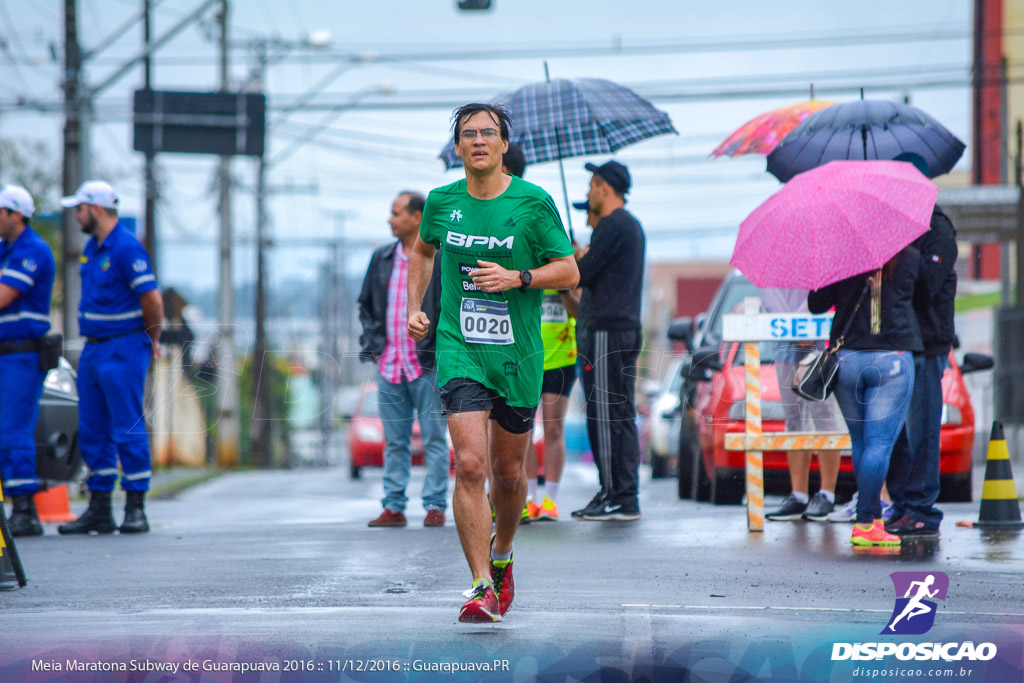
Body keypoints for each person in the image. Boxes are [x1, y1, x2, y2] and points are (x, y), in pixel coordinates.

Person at [407, 103, 578, 623]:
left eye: (488, 133)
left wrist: (518, 278)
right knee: (471, 465)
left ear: (504, 145)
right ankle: (481, 584)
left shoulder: (532, 203)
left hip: (519, 354)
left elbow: (568, 269)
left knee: (507, 474)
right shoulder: (441, 202)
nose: (478, 140)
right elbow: (422, 252)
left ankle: (503, 555)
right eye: (467, 134)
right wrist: (418, 306)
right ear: (457, 148)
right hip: (460, 347)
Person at [58, 181, 164, 536]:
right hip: (95, 348)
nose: (76, 215)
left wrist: (152, 339)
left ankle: (135, 507)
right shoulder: (94, 247)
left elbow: (151, 299)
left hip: (123, 347)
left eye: (80, 209)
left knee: (127, 427)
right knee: (92, 429)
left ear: (97, 209)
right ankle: (100, 508)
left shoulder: (125, 248)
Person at [808, 244, 924, 547]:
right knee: (880, 445)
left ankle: (869, 516)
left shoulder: (841, 257)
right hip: (893, 359)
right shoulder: (910, 257)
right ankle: (865, 520)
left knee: (860, 443)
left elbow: (816, 304)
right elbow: (925, 300)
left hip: (848, 360)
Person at [358, 191, 449, 528]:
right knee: (394, 441)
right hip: (391, 364)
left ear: (417, 217)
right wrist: (375, 344)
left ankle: (435, 505)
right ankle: (394, 506)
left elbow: (448, 307)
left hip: (426, 364)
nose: (390, 219)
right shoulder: (382, 258)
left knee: (434, 439)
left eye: (396, 213)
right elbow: (365, 306)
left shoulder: (439, 258)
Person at [499, 144, 576, 524]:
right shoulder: (507, 228)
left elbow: (577, 298)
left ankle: (551, 500)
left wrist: (560, 273)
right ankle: (525, 499)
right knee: (522, 429)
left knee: (554, 428)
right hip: (522, 347)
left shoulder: (541, 213)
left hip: (561, 352)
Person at [886, 155, 958, 539]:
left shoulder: (937, 230)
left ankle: (921, 508)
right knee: (896, 433)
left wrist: (903, 257)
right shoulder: (894, 227)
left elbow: (926, 286)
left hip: (927, 344)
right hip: (896, 343)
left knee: (923, 430)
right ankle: (901, 503)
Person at [571, 160, 646, 522]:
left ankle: (616, 493)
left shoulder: (614, 224)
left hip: (607, 331)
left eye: (591, 186)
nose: (588, 194)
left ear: (603, 187)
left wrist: (572, 258)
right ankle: (619, 492)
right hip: (619, 328)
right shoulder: (627, 226)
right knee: (618, 411)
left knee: (605, 414)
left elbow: (580, 275)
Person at [0, 185, 56, 537]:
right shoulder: (6, 250)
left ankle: (24, 509)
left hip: (21, 355)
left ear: (16, 214)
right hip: (7, 354)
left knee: (12, 430)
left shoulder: (32, 250)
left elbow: (3, 296)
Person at [762, 288, 844, 522]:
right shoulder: (773, 271)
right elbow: (771, 301)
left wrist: (806, 318)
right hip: (786, 349)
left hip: (822, 348)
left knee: (825, 417)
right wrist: (797, 324)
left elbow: (831, 298)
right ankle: (798, 494)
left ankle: (827, 494)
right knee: (794, 419)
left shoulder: (823, 261)